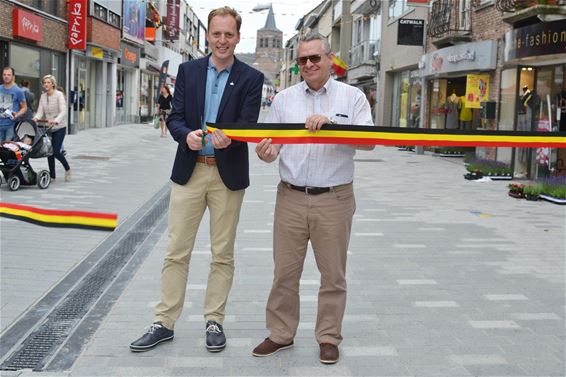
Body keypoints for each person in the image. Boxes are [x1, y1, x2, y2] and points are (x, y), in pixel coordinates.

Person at [130, 6, 263, 353]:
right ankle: (165, 321)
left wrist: (232, 138)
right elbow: (175, 118)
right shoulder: (188, 72)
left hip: (227, 175)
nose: (222, 41)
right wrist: (185, 134)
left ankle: (214, 319)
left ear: (237, 37)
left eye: (229, 34)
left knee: (222, 253)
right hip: (190, 171)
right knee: (176, 251)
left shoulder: (251, 78)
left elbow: (248, 125)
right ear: (207, 35)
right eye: (216, 34)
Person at [252, 31, 374, 365]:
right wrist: (265, 153)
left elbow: (369, 142)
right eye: (303, 59)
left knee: (333, 274)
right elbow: (273, 148)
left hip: (334, 199)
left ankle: (328, 337)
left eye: (314, 58)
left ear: (329, 59)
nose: (308, 64)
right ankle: (280, 333)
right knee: (285, 273)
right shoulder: (283, 100)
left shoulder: (352, 98)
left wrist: (333, 125)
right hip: (290, 197)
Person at [33, 75, 71, 181]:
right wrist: (36, 118)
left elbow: (63, 110)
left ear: (53, 84)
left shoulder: (59, 95)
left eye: (48, 82)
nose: (46, 84)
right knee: (49, 151)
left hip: (60, 127)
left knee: (56, 151)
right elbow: (40, 111)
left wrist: (57, 120)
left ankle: (67, 169)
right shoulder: (43, 96)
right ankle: (52, 175)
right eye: (44, 82)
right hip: (49, 127)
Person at [0, 67, 27, 141]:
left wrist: (17, 114)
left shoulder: (18, 91)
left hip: (11, 125)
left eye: (8, 75)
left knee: (8, 150)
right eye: (4, 74)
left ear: (13, 77)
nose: (6, 76)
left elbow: (24, 107)